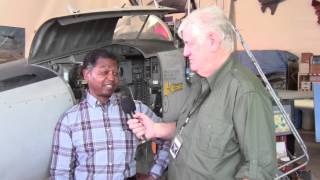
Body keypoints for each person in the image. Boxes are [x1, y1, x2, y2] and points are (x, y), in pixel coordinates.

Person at [128, 6, 277, 180]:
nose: (185, 52)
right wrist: (156, 129)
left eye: (190, 44)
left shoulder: (245, 92)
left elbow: (258, 170)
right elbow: (190, 128)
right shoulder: (200, 82)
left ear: (213, 41)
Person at [50, 49, 170, 180]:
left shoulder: (136, 110)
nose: (112, 78)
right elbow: (60, 174)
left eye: (115, 73)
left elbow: (168, 139)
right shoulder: (69, 120)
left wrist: (154, 174)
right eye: (104, 72)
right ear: (86, 74)